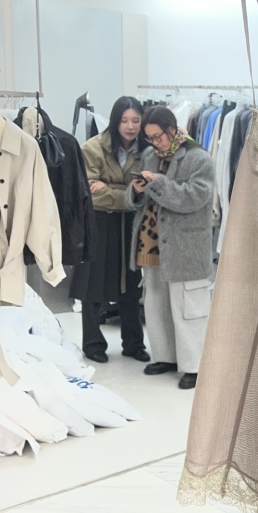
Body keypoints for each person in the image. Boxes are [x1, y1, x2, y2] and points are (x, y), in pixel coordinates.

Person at [128, 106, 216, 389]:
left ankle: (194, 365)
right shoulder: (150, 155)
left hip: (185, 245)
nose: (156, 143)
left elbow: (194, 197)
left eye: (158, 136)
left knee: (188, 307)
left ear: (172, 129)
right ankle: (165, 357)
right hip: (152, 241)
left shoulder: (199, 158)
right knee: (156, 304)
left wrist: (159, 183)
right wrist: (136, 191)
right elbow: (140, 200)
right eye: (150, 138)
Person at [75, 97, 150, 364]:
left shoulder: (147, 150)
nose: (130, 126)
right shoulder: (93, 148)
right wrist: (129, 193)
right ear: (115, 121)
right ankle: (93, 344)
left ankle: (134, 343)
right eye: (124, 120)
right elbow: (90, 194)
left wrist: (109, 189)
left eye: (136, 120)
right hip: (99, 222)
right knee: (93, 282)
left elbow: (148, 190)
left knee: (131, 283)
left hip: (132, 223)